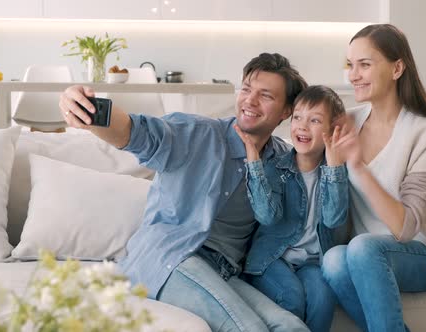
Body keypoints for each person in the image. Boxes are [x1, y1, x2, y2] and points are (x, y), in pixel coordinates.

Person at [58, 53, 311, 332]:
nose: (250, 100)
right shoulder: (197, 133)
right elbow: (136, 133)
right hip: (172, 258)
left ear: (286, 111)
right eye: (247, 89)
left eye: (265, 96)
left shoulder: (282, 160)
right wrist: (84, 106)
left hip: (223, 270)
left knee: (290, 326)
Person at [321, 24, 426, 332]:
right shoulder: (347, 122)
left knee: (363, 248)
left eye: (365, 65)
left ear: (397, 68)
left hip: (424, 253)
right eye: (350, 65)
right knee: (333, 260)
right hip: (364, 254)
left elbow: (405, 227)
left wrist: (358, 167)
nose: (353, 75)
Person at [235, 85, 349, 332]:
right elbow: (266, 216)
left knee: (323, 298)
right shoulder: (276, 168)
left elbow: (333, 218)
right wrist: (254, 164)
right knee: (291, 297)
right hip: (273, 258)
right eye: (297, 117)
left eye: (315, 120)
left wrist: (334, 168)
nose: (302, 126)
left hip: (312, 262)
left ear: (332, 130)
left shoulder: (336, 173)